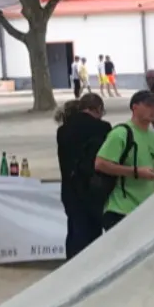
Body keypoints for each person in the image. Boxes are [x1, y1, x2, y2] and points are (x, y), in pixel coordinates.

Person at [94, 90, 154, 230]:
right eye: (148, 105)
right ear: (134, 107)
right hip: (121, 209)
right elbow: (100, 163)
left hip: (145, 210)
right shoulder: (121, 133)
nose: (153, 110)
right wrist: (135, 172)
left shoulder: (152, 135)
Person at [56, 93, 111, 258]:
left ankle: (72, 265)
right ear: (98, 108)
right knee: (92, 232)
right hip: (93, 187)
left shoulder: (63, 130)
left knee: (74, 230)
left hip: (69, 188)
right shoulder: (102, 128)